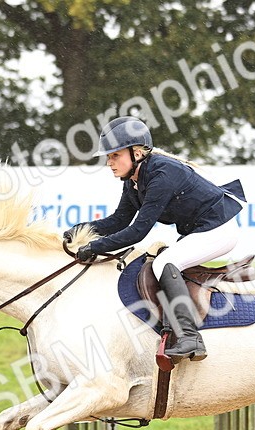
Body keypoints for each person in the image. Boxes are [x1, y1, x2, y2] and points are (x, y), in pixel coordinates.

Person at [65, 116, 245, 362]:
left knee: (163, 263)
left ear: (137, 153)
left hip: (219, 229)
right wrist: (80, 230)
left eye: (114, 156)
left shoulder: (162, 173)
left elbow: (138, 231)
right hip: (203, 230)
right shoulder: (134, 181)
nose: (109, 163)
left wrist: (94, 247)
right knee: (163, 261)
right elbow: (119, 220)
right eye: (108, 157)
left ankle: (189, 336)